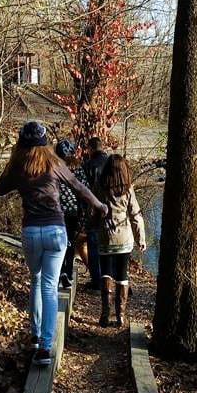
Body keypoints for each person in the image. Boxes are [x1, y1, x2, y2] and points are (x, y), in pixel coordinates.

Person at [0, 121, 107, 366]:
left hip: (31, 231)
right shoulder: (54, 163)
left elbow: (0, 189)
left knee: (35, 280)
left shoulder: (18, 165)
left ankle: (35, 336)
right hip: (56, 231)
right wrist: (99, 205)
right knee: (49, 287)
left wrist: (12, 164)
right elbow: (79, 188)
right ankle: (45, 348)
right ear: (45, 142)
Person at [97, 154, 146, 328]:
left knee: (106, 273)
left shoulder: (100, 187)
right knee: (122, 275)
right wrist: (141, 239)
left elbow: (92, 211)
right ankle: (121, 316)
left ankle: (104, 314)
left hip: (105, 238)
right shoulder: (128, 189)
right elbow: (135, 215)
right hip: (124, 239)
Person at [55, 138, 90, 288]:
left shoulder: (53, 167)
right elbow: (84, 189)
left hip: (55, 210)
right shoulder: (78, 168)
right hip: (73, 210)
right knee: (69, 241)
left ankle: (58, 271)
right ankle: (68, 274)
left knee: (57, 242)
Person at [82, 136, 109, 291]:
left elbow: (83, 189)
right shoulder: (112, 164)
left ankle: (96, 280)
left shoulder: (88, 166)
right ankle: (108, 279)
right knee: (108, 246)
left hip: (93, 210)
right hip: (110, 210)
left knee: (93, 246)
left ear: (90, 149)